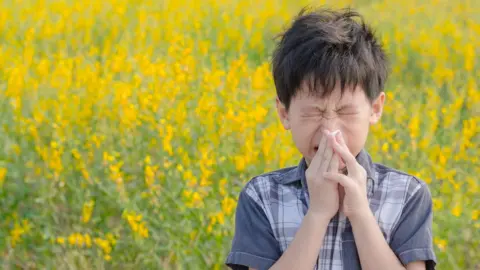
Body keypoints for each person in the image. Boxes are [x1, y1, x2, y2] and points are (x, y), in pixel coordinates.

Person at [225, 7, 437, 270]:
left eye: (345, 111)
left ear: (375, 109)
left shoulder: (407, 195)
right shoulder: (262, 197)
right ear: (284, 114)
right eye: (313, 112)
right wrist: (318, 214)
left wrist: (360, 213)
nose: (330, 130)